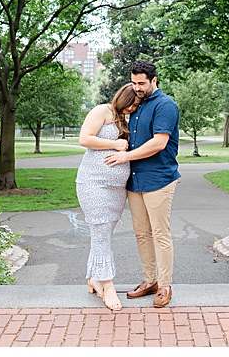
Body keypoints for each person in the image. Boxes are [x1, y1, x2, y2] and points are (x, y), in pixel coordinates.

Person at [104, 59, 180, 308]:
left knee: (160, 233)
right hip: (135, 181)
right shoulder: (136, 106)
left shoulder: (165, 105)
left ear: (154, 81)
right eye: (134, 82)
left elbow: (159, 143)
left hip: (159, 179)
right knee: (142, 234)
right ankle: (150, 281)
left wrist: (125, 155)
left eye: (141, 83)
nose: (137, 87)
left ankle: (165, 285)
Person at [76, 83, 140, 311]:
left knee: (102, 232)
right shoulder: (102, 111)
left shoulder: (128, 119)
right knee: (101, 231)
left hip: (116, 189)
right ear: (123, 98)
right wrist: (115, 144)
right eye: (131, 104)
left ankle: (94, 279)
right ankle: (109, 285)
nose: (133, 108)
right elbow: (85, 139)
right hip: (93, 183)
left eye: (136, 105)